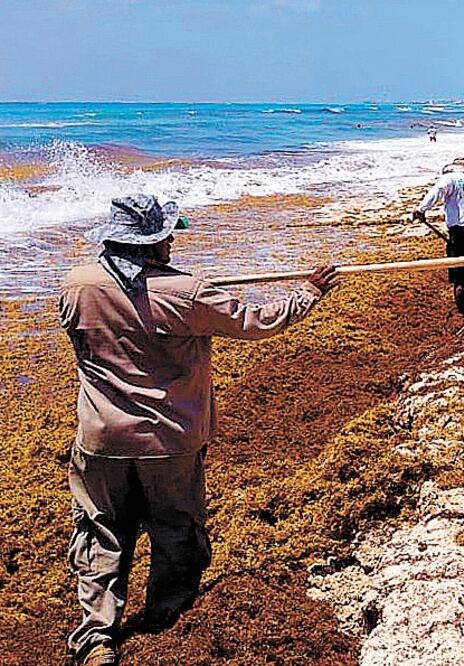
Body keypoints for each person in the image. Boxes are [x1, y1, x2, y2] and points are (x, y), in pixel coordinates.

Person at [60, 195, 338, 666]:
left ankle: (97, 639)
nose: (172, 241)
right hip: (169, 439)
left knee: (101, 532)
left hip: (101, 439)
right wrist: (308, 293)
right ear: (151, 244)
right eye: (167, 236)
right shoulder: (186, 292)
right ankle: (164, 618)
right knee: (175, 530)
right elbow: (256, 323)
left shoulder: (77, 285)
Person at [412, 157, 464, 312]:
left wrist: (421, 209)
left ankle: (461, 307)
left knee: (459, 269)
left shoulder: (450, 178)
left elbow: (437, 191)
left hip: (460, 229)